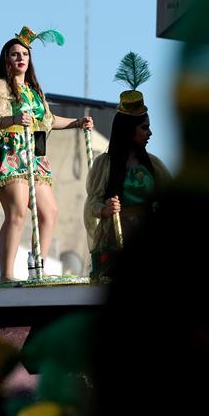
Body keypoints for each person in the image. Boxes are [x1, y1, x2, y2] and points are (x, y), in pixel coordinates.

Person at [0, 27, 93, 281]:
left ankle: (38, 266)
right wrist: (15, 118)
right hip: (11, 154)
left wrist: (76, 122)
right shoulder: (0, 87)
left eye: (24, 54)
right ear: (7, 60)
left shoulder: (34, 91)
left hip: (34, 156)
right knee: (16, 212)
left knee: (50, 211)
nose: (21, 58)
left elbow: (47, 120)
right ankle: (6, 274)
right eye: (15, 54)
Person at [84, 53, 171, 280]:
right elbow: (91, 203)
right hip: (117, 243)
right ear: (128, 130)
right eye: (144, 128)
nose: (150, 133)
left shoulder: (155, 166)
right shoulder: (104, 165)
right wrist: (104, 209)